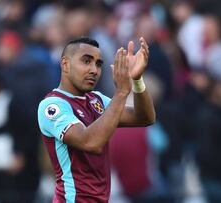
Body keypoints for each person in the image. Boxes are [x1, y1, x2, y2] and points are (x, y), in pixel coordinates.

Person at [37, 36, 156, 202]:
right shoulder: (52, 105)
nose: (94, 70)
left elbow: (144, 118)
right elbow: (90, 142)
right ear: (65, 64)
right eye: (86, 61)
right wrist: (121, 92)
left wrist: (137, 79)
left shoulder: (96, 100)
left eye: (98, 64)